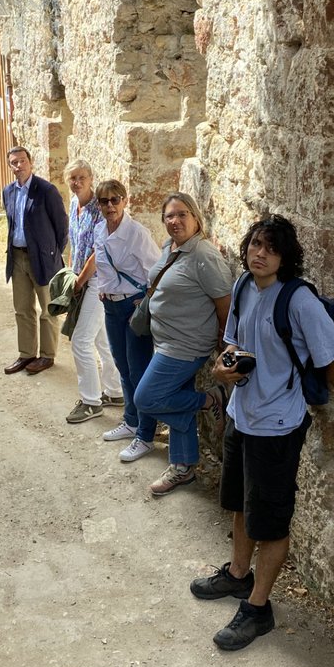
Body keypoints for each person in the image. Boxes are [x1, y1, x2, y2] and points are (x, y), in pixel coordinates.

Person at [190, 215, 334, 651]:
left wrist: (296, 391)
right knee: (241, 503)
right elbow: (233, 342)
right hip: (243, 415)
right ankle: (239, 575)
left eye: (271, 248)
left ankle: (259, 608)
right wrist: (226, 367)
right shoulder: (244, 285)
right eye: (255, 245)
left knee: (272, 519)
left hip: (278, 426)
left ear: (286, 257)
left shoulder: (298, 301)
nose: (259, 254)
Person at [132, 193, 233, 495]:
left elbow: (224, 303)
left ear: (196, 218)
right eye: (169, 216)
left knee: (146, 398)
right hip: (165, 337)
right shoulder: (170, 246)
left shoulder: (204, 255)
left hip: (185, 345)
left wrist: (224, 345)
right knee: (176, 399)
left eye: (182, 214)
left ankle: (210, 400)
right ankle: (183, 467)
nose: (175, 221)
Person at [92, 180, 161, 458]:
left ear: (125, 200)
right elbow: (101, 265)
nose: (110, 206)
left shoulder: (136, 233)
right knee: (121, 365)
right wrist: (103, 289)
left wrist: (143, 301)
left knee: (139, 370)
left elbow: (155, 271)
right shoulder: (99, 230)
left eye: (115, 200)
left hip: (133, 309)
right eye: (104, 201)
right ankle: (131, 421)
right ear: (98, 205)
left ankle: (146, 434)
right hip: (111, 307)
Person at [63, 159, 123, 424]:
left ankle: (91, 402)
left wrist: (79, 283)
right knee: (101, 339)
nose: (76, 182)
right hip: (81, 277)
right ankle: (115, 391)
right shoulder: (74, 205)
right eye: (72, 178)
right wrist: (70, 273)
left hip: (98, 280)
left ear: (91, 179)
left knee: (81, 340)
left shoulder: (98, 210)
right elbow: (75, 244)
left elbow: (98, 254)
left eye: (81, 177)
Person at [2, 146, 69, 376]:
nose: (18, 166)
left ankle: (47, 356)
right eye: (13, 162)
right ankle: (27, 354)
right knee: (22, 309)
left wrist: (52, 253)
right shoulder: (8, 191)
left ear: (30, 163)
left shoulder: (46, 190)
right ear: (10, 166)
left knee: (48, 309)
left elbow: (61, 226)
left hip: (42, 259)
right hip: (17, 257)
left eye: (22, 161)